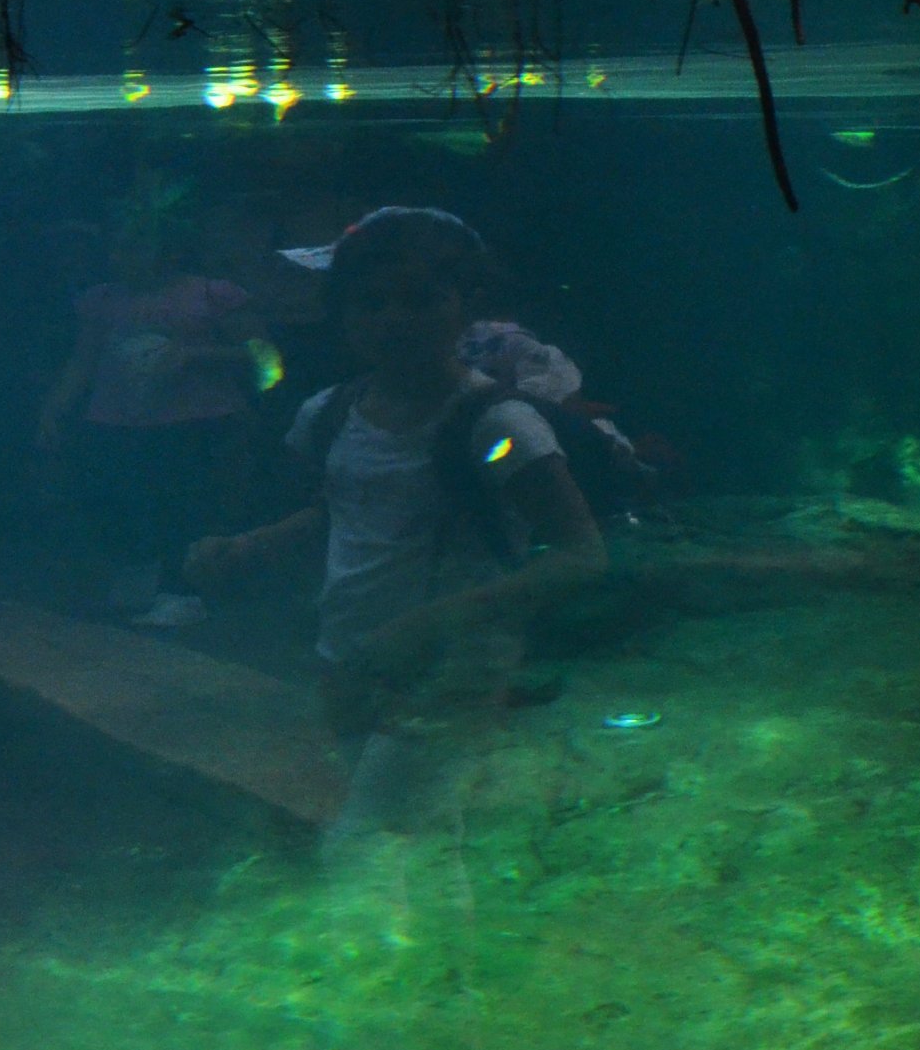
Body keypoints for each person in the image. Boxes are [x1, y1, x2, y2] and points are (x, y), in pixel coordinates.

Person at [184, 206, 606, 845]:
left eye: (420, 300)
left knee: (362, 842)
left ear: (467, 306)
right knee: (429, 835)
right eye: (371, 303)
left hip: (453, 666)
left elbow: (580, 554)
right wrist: (246, 548)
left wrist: (433, 622)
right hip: (350, 654)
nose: (392, 319)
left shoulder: (498, 426)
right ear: (344, 314)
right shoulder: (328, 414)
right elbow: (341, 514)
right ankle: (456, 942)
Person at [35, 209, 260, 628]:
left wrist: (195, 355)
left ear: (170, 252)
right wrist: (56, 408)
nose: (119, 256)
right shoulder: (103, 300)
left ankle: (184, 592)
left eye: (133, 247)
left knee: (186, 506)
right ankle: (136, 586)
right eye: (117, 246)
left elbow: (263, 355)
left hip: (197, 420)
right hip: (116, 420)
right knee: (122, 504)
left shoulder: (210, 295)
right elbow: (82, 361)